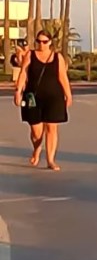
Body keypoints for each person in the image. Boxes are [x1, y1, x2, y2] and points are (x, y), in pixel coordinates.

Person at [13, 30, 73, 171]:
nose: (41, 44)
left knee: (52, 128)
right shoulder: (30, 55)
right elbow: (23, 73)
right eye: (38, 41)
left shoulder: (57, 57)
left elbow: (62, 77)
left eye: (44, 42)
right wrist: (18, 91)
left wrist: (68, 94)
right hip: (32, 97)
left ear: (50, 42)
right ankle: (37, 149)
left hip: (54, 97)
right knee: (36, 132)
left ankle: (50, 160)